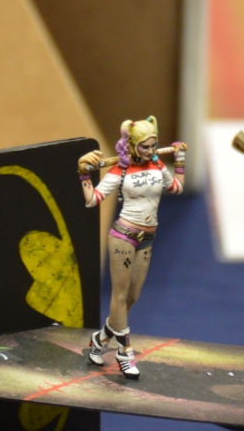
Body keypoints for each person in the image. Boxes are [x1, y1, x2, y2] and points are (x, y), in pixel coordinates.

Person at [77, 117, 185, 379]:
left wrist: (180, 159)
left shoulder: (158, 164)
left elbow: (176, 188)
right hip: (123, 236)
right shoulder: (119, 171)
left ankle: (100, 340)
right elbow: (92, 200)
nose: (150, 151)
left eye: (154, 145)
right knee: (120, 295)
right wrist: (84, 174)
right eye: (145, 147)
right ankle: (125, 352)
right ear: (133, 146)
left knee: (132, 296)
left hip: (148, 236)